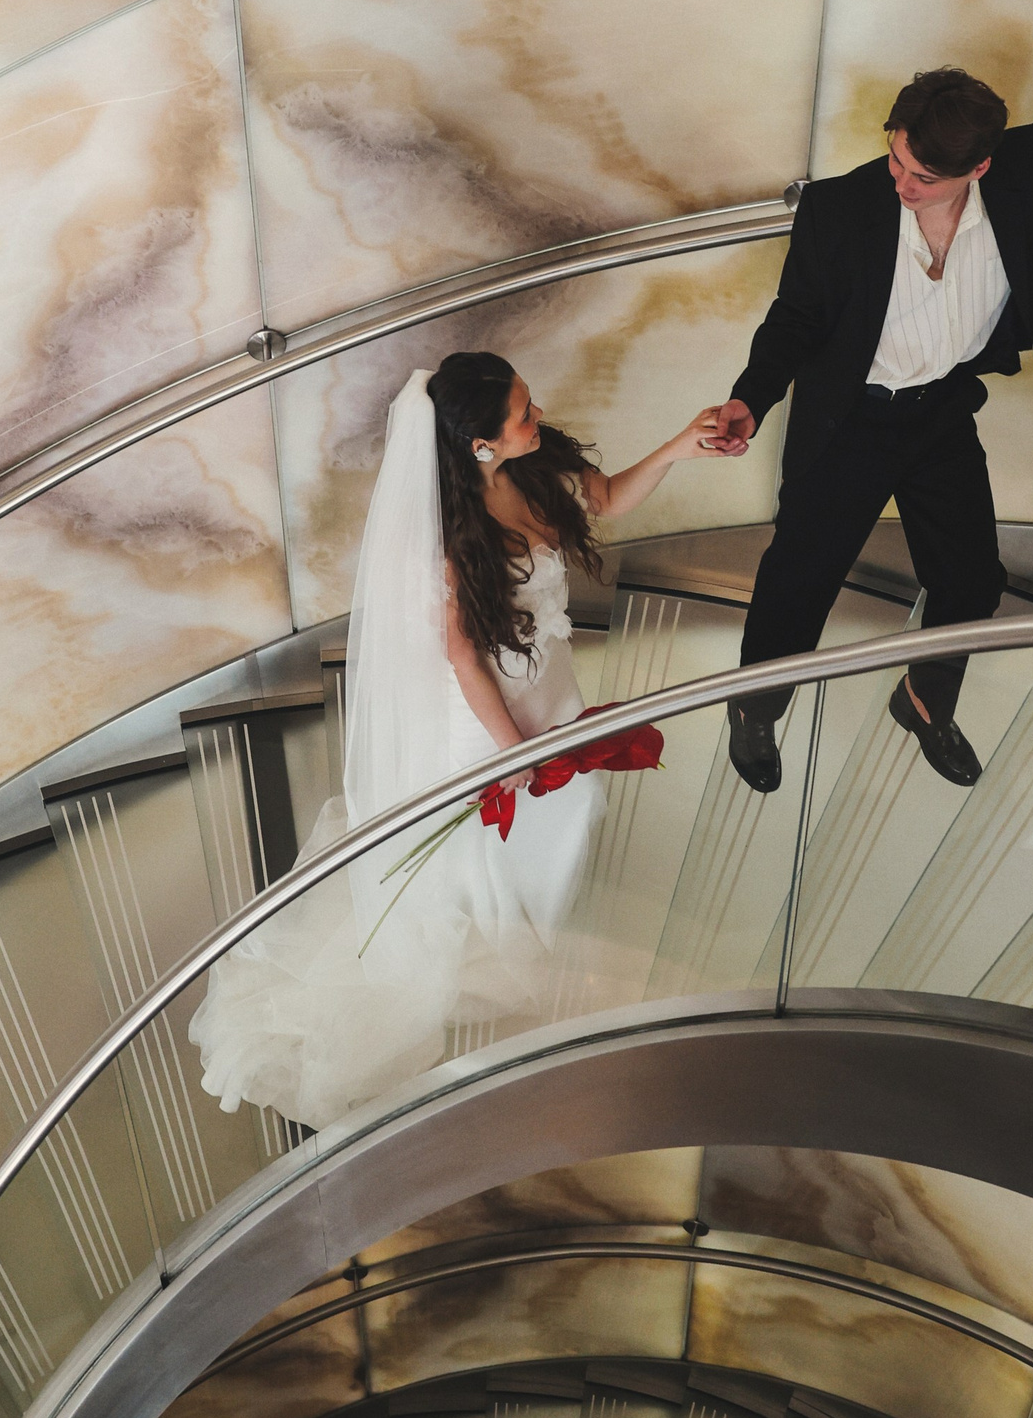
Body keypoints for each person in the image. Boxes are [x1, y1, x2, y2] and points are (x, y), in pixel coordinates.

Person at [190, 352, 720, 1130]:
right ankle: (480, 950)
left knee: (571, 807)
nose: (539, 417)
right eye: (524, 413)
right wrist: (514, 751)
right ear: (480, 445)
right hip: (487, 710)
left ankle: (526, 927)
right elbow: (463, 655)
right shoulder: (448, 536)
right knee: (480, 847)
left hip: (547, 681)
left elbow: (604, 497)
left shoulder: (535, 461)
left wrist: (680, 446)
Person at [709, 69, 1033, 794]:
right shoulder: (840, 208)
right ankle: (756, 707)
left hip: (939, 411)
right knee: (799, 582)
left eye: (923, 178)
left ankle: (925, 699)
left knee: (971, 580)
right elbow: (794, 320)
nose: (901, 183)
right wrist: (751, 398)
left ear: (980, 168)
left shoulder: (1027, 172)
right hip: (850, 421)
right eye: (896, 159)